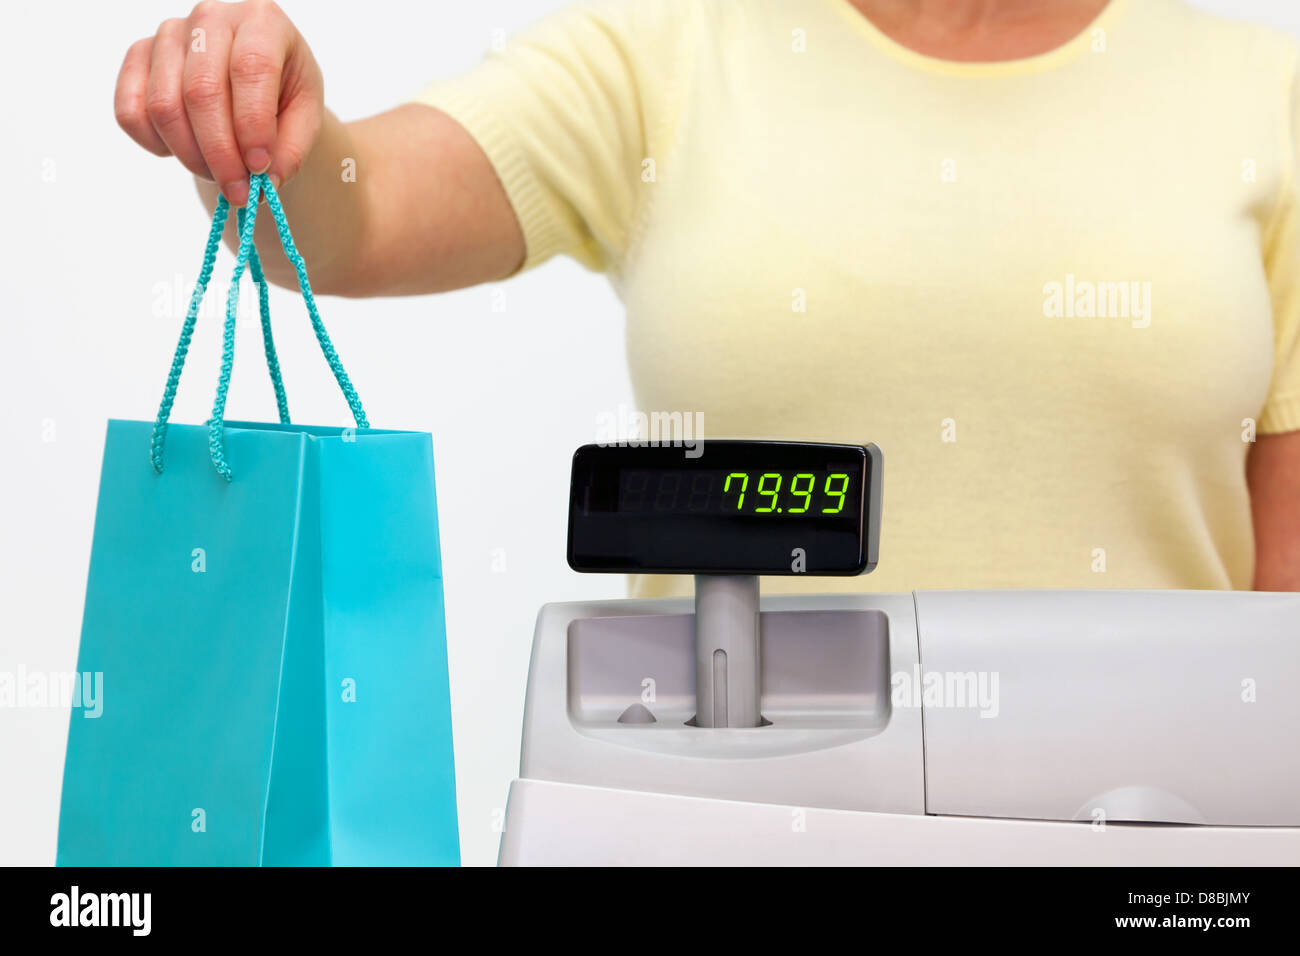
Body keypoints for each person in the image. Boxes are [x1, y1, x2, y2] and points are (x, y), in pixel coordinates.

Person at [114, 0, 1300, 597]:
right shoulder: (675, 46)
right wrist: (263, 117)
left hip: (1153, 856)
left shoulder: (1266, 94)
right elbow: (350, 221)